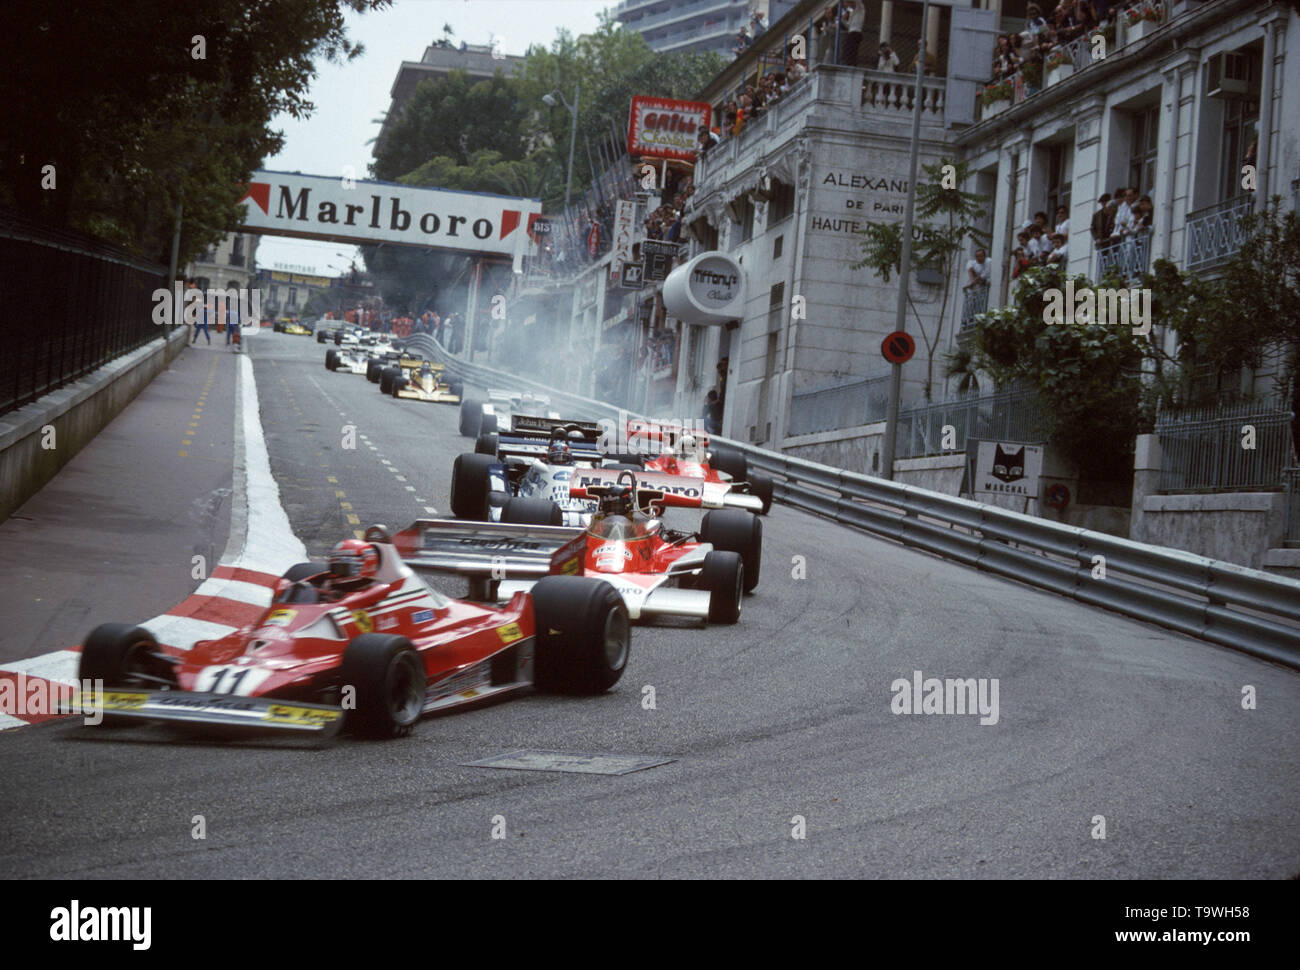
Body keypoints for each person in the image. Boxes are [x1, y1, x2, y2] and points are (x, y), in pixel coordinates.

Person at [842, 0, 865, 66]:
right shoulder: (852, 12)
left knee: (852, 51)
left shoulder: (860, 7)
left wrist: (847, 2)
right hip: (851, 32)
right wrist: (843, 19)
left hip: (856, 32)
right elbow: (849, 26)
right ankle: (848, 64)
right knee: (847, 51)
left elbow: (857, 1)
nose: (849, 6)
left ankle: (852, 65)